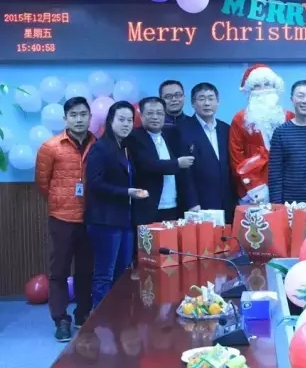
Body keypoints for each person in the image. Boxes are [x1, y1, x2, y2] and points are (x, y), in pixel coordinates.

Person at [35, 97, 96, 342]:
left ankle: (83, 314)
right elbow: (42, 183)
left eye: (83, 114)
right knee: (59, 271)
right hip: (62, 217)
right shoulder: (51, 147)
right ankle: (61, 320)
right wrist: (60, 201)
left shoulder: (98, 145)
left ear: (90, 117)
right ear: (65, 119)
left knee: (86, 270)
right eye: (73, 115)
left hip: (90, 217)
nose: (79, 119)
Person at [85, 101, 148, 308]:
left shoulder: (125, 148)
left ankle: (118, 316)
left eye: (129, 120)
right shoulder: (100, 148)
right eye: (121, 120)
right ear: (110, 121)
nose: (126, 124)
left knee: (123, 273)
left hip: (125, 219)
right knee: (105, 274)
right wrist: (127, 192)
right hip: (105, 220)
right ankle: (99, 319)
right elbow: (95, 184)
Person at [127, 96, 199, 226]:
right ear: (141, 116)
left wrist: (192, 202)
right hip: (147, 208)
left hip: (174, 207)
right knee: (147, 240)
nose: (155, 117)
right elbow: (146, 164)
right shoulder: (134, 137)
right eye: (150, 113)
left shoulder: (172, 135)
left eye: (159, 113)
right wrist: (177, 163)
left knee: (171, 239)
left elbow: (185, 173)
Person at [229, 65, 294, 205]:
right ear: (250, 90)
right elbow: (236, 157)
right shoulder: (240, 119)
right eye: (257, 85)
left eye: (267, 84)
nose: (263, 89)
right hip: (253, 189)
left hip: (287, 185)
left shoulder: (289, 116)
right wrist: (252, 186)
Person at [178, 82, 235, 222]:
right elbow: (183, 172)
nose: (207, 103)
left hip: (227, 200)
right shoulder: (182, 130)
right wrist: (192, 201)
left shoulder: (226, 129)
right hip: (199, 202)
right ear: (193, 103)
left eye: (211, 98)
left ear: (217, 102)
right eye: (201, 99)